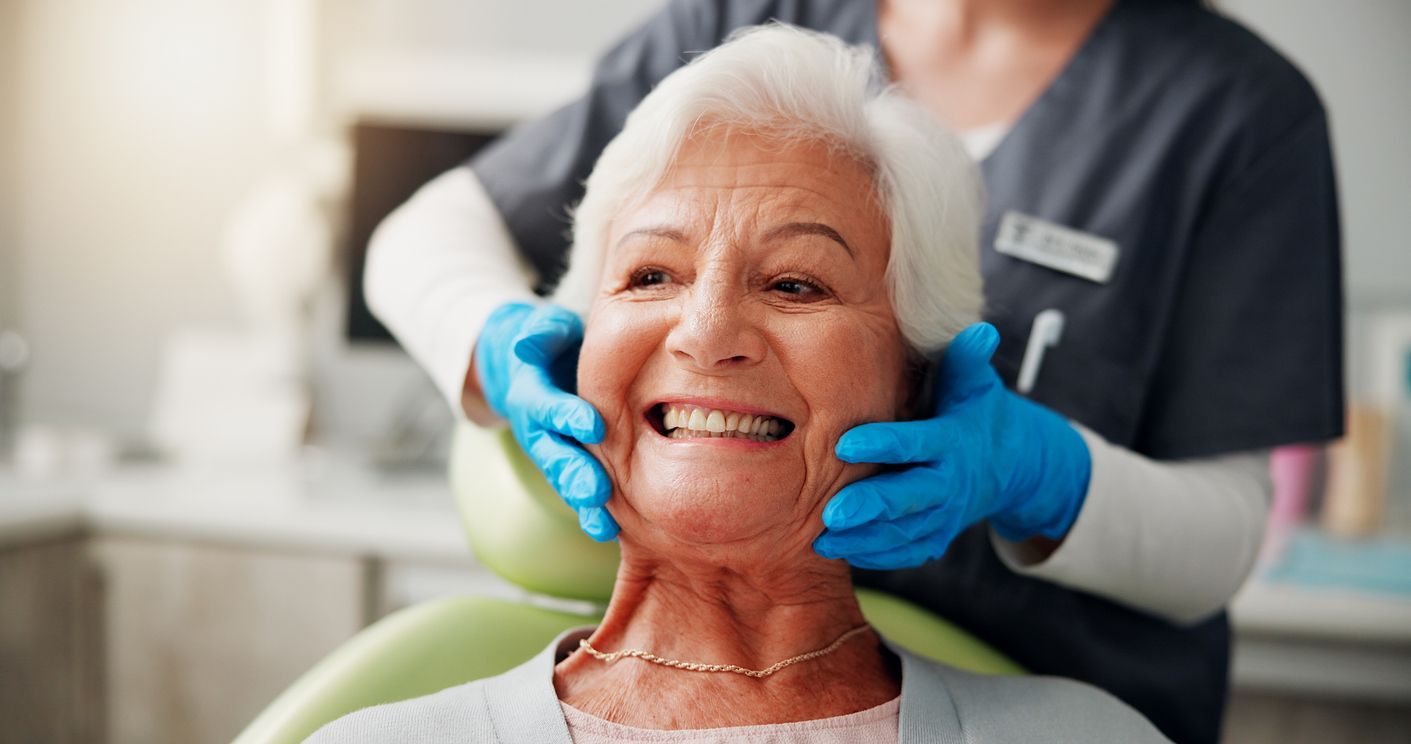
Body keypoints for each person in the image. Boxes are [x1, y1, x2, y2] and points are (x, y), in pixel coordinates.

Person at [366, 1, 1343, 740]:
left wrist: (1037, 471)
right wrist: (496, 341)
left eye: (795, 284)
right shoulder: (741, 22)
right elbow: (423, 235)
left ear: (914, 375)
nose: (707, 333)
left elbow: (1221, 537)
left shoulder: (1231, 113)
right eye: (652, 273)